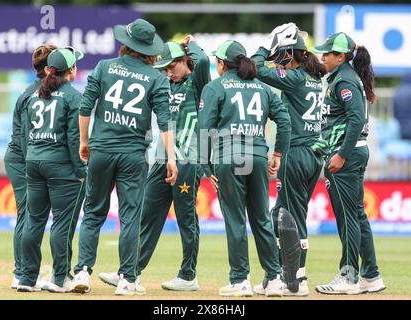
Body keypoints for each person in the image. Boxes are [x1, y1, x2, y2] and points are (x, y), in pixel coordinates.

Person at [70, 18, 178, 296]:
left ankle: (82, 271)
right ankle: (128, 279)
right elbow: (165, 119)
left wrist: (84, 141)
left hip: (101, 150)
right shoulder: (156, 77)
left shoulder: (104, 67)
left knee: (93, 214)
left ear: (126, 44)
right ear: (149, 49)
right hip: (133, 155)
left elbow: (85, 105)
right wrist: (171, 158)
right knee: (130, 217)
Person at [98, 35, 210, 291]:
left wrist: (190, 45)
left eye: (173, 67)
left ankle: (188, 275)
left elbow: (202, 60)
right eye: (165, 68)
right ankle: (130, 272)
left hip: (188, 160)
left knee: (186, 219)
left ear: (185, 62)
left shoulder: (197, 83)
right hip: (162, 159)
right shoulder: (163, 83)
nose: (169, 73)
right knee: (145, 215)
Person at [199, 40, 291, 297]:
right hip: (258, 158)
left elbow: (204, 128)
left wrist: (207, 167)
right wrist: (278, 154)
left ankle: (240, 280)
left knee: (236, 219)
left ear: (220, 64)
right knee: (261, 218)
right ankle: (273, 279)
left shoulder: (214, 87)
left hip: (229, 158)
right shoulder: (262, 88)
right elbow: (284, 121)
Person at [251, 23, 327, 296]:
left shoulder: (295, 78)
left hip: (296, 153)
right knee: (282, 215)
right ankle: (284, 276)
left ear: (290, 53)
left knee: (292, 217)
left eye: (281, 53)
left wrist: (265, 46)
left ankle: (297, 281)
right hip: (312, 154)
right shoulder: (314, 78)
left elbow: (257, 68)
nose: (278, 57)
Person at [311, 32, 385, 294]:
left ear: (340, 57)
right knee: (356, 215)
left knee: (347, 218)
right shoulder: (344, 78)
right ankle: (371, 275)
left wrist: (341, 154)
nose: (323, 57)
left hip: (347, 156)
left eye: (327, 53)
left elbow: (355, 120)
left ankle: (349, 276)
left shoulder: (343, 80)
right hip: (352, 153)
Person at [17, 46, 87, 293]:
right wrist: (81, 171)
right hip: (60, 166)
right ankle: (60, 279)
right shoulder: (73, 96)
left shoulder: (35, 94)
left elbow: (25, 135)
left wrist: (30, 159)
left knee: (33, 221)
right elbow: (73, 139)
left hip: (33, 162)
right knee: (62, 224)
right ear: (71, 70)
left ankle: (26, 278)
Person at [5, 44, 57, 290]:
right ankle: (22, 273)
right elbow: (26, 137)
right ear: (49, 69)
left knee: (28, 215)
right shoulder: (32, 94)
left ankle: (24, 271)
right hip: (21, 159)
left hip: (27, 159)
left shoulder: (40, 90)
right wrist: (33, 168)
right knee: (27, 214)